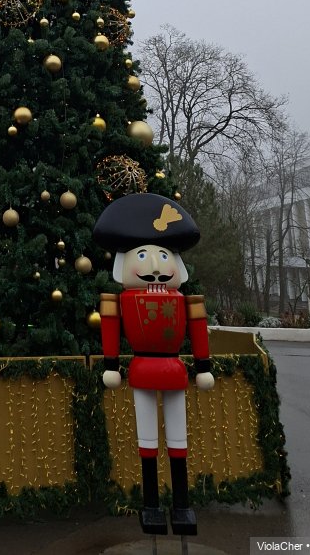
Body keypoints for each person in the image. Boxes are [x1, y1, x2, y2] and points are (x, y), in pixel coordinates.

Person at [93, 192, 213, 537]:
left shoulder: (186, 300)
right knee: (147, 437)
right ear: (125, 262)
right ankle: (151, 505)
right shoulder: (120, 300)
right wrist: (112, 364)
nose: (155, 266)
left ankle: (182, 505)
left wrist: (203, 366)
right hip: (142, 369)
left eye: (162, 255)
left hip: (175, 369)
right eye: (143, 255)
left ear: (176, 262)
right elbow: (112, 329)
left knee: (178, 437)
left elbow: (198, 331)